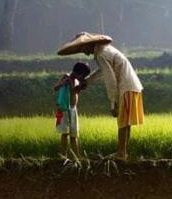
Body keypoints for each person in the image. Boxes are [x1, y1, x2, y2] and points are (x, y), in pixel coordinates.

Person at [57, 32, 144, 160]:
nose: (85, 52)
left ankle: (121, 153)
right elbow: (102, 71)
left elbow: (110, 79)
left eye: (83, 48)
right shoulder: (105, 50)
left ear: (89, 44)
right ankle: (123, 152)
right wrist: (86, 82)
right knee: (126, 122)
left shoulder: (101, 54)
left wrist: (112, 102)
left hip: (125, 86)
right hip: (132, 85)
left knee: (122, 121)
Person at [53, 62, 90, 157]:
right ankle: (63, 156)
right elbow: (55, 88)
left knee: (74, 135)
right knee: (65, 133)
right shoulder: (66, 76)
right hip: (64, 109)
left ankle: (76, 157)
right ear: (79, 73)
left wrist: (80, 86)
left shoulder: (77, 81)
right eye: (83, 76)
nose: (83, 78)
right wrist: (63, 83)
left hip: (73, 109)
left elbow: (75, 91)